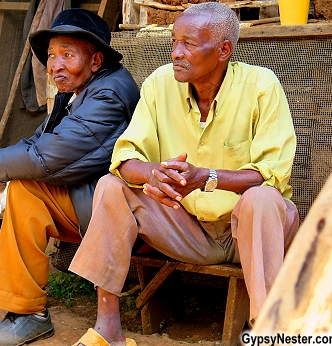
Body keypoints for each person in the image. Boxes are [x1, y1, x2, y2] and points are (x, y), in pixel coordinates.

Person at [68, 2, 300, 345]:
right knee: (112, 185)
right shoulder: (160, 83)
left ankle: (269, 331)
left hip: (254, 234)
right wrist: (151, 174)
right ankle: (109, 329)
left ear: (223, 50)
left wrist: (206, 176)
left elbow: (271, 174)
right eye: (174, 42)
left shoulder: (261, 86)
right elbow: (126, 157)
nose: (176, 52)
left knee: (262, 198)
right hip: (188, 230)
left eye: (189, 44)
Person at [0, 8, 139, 346]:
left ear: (96, 60)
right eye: (51, 55)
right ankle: (12, 288)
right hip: (88, 199)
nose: (55, 65)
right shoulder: (81, 90)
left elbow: (49, 157)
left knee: (27, 188)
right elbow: (39, 141)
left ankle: (28, 313)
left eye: (67, 54)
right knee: (20, 182)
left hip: (117, 210)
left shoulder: (108, 93)